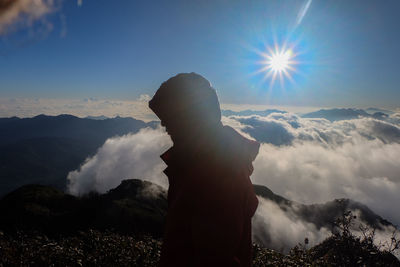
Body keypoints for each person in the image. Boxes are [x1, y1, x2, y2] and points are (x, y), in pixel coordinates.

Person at [149, 73, 259, 267]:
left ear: (192, 119)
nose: (163, 125)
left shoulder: (219, 176)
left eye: (169, 117)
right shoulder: (200, 166)